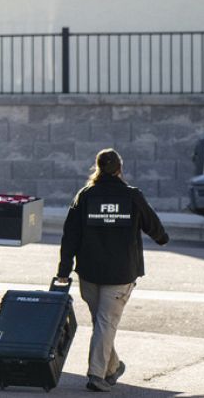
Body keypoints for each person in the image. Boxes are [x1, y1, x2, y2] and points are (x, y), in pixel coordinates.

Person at [56, 148, 168, 393]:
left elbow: (70, 237)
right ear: (119, 169)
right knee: (105, 324)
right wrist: (162, 238)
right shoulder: (132, 196)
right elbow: (155, 227)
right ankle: (99, 374)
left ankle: (110, 367)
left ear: (97, 168)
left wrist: (64, 271)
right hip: (121, 274)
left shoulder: (85, 196)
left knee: (102, 323)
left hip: (89, 273)